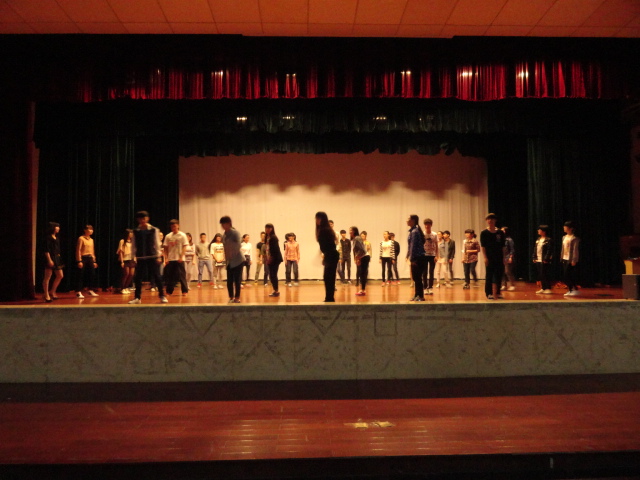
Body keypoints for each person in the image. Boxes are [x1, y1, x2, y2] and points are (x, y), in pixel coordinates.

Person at [129, 211, 167, 304]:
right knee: (138, 278)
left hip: (152, 256)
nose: (142, 220)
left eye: (144, 218)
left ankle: (162, 296)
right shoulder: (135, 231)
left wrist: (158, 256)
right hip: (140, 256)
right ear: (137, 220)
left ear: (147, 218)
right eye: (140, 219)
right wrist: (133, 257)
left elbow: (157, 243)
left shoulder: (154, 230)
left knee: (157, 276)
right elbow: (133, 245)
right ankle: (137, 298)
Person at [480, 213, 506, 300]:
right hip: (489, 257)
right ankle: (489, 293)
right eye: (488, 219)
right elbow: (483, 246)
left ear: (495, 220)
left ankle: (498, 292)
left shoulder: (500, 232)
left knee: (499, 274)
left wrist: (504, 257)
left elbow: (503, 246)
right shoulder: (484, 233)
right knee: (489, 275)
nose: (490, 221)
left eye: (492, 219)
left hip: (499, 256)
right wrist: (485, 257)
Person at [220, 216, 244, 303]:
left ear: (229, 223)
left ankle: (237, 297)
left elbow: (238, 245)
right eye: (222, 224)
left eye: (224, 224)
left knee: (237, 280)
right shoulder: (224, 235)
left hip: (238, 260)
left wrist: (232, 255)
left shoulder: (235, 233)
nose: (223, 226)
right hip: (229, 261)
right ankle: (231, 297)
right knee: (229, 281)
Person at [316, 211, 339, 302]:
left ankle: (330, 298)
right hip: (330, 254)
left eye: (318, 218)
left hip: (331, 254)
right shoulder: (324, 229)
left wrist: (326, 256)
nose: (316, 220)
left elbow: (330, 246)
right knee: (328, 277)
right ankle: (329, 297)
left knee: (329, 277)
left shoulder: (325, 230)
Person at [163, 219, 189, 296]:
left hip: (180, 258)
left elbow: (184, 246)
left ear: (178, 226)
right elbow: (165, 248)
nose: (173, 228)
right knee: (171, 276)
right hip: (171, 258)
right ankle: (169, 291)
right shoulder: (168, 236)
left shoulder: (182, 235)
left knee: (182, 275)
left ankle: (184, 291)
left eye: (175, 226)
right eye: (172, 226)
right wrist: (166, 258)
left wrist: (181, 256)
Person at [75, 224, 99, 299]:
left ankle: (90, 290)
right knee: (80, 275)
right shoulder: (81, 238)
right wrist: (79, 260)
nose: (91, 231)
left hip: (90, 258)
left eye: (92, 229)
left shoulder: (91, 240)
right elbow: (78, 250)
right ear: (85, 230)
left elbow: (92, 251)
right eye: (89, 229)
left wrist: (94, 261)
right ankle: (78, 291)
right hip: (83, 257)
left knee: (92, 274)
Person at [406, 215, 427, 301]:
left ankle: (420, 296)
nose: (407, 221)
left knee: (417, 278)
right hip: (417, 257)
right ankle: (417, 294)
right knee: (415, 278)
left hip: (417, 258)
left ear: (413, 221)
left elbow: (413, 246)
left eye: (408, 219)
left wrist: (412, 259)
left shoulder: (415, 231)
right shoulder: (414, 231)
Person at [43, 222, 64, 302]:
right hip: (50, 257)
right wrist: (49, 260)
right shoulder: (48, 238)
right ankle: (46, 295)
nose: (58, 228)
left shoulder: (56, 238)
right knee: (47, 277)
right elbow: (46, 250)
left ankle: (52, 291)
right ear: (53, 228)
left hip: (57, 257)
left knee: (60, 275)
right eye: (57, 227)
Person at [533, 225, 553, 294]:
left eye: (539, 230)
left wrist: (546, 258)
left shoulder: (548, 240)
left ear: (544, 231)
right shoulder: (538, 239)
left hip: (544, 259)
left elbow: (549, 250)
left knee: (545, 274)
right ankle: (543, 288)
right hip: (538, 259)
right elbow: (535, 249)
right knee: (541, 274)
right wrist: (534, 257)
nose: (538, 231)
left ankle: (548, 288)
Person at [561, 221, 580, 296]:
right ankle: (571, 289)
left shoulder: (574, 238)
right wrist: (561, 257)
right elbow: (563, 248)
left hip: (570, 259)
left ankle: (573, 289)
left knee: (568, 275)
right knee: (565, 275)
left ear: (570, 228)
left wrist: (574, 260)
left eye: (565, 226)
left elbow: (575, 250)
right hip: (564, 258)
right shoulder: (564, 237)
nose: (564, 228)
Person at [265, 223, 283, 297]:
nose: (267, 229)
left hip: (275, 259)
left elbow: (275, 250)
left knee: (273, 275)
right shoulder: (267, 237)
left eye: (269, 228)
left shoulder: (273, 237)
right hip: (270, 258)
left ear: (272, 229)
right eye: (266, 228)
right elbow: (267, 248)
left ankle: (276, 291)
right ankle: (275, 290)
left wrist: (271, 258)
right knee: (272, 275)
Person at [351, 226, 370, 296]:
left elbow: (362, 249)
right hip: (362, 257)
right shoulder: (355, 239)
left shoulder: (357, 238)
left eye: (351, 230)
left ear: (354, 231)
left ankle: (363, 290)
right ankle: (362, 290)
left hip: (364, 257)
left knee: (362, 274)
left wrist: (358, 257)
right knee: (362, 273)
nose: (349, 232)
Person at [117, 228, 135, 294]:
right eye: (130, 233)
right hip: (125, 259)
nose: (131, 234)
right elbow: (121, 252)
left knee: (131, 274)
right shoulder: (122, 241)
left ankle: (126, 287)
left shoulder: (133, 241)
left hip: (131, 259)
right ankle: (122, 288)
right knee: (126, 274)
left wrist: (135, 259)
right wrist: (122, 261)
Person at [422, 219, 437, 295]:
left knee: (431, 272)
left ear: (431, 225)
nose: (427, 226)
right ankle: (425, 288)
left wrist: (437, 255)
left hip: (432, 255)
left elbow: (436, 245)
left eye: (428, 224)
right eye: (426, 224)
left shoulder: (434, 234)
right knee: (424, 272)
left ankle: (430, 287)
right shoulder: (422, 234)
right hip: (424, 255)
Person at [501, 226, 516, 291]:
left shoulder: (509, 240)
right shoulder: (500, 239)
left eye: (503, 230)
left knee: (507, 271)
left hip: (507, 257)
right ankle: (503, 285)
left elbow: (512, 249)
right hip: (501, 257)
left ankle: (512, 285)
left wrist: (510, 257)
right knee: (502, 272)